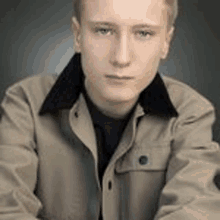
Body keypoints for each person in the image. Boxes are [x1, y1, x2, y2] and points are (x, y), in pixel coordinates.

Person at [0, 0, 220, 219]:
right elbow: (6, 209)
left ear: (166, 42)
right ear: (78, 35)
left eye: (143, 33)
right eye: (103, 31)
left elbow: (195, 209)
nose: (121, 58)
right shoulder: (25, 103)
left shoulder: (191, 112)